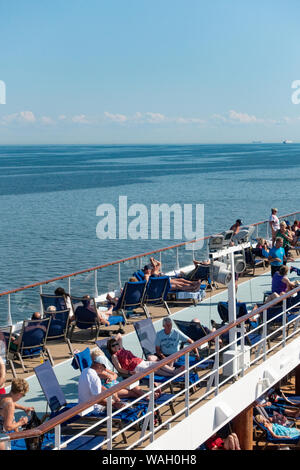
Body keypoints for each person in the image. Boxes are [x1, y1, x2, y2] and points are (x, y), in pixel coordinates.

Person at [108, 333, 185, 377]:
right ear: (110, 348)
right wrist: (129, 372)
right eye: (113, 346)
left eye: (116, 344)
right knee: (155, 369)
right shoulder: (114, 356)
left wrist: (111, 340)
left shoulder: (121, 348)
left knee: (159, 364)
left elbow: (119, 335)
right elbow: (119, 369)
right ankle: (173, 373)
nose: (115, 346)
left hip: (142, 362)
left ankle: (173, 371)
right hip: (136, 367)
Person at [90, 349, 156, 399]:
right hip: (110, 390)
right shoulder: (94, 371)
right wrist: (111, 376)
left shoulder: (104, 368)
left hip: (116, 384)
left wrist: (113, 377)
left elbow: (115, 374)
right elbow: (108, 375)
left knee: (133, 385)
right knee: (131, 393)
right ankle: (147, 397)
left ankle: (147, 395)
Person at [0, 378, 34, 450]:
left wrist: (24, 408)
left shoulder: (3, 396)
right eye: (23, 395)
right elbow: (8, 427)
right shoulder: (10, 405)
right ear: (19, 394)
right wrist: (21, 422)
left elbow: (9, 403)